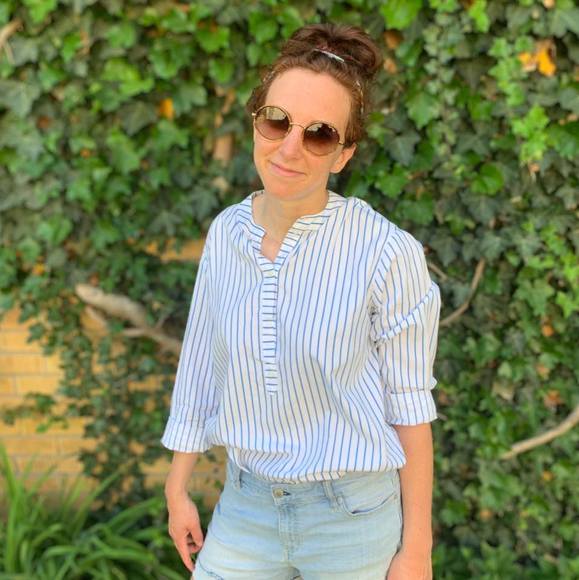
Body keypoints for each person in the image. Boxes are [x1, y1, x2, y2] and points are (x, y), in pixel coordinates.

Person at [162, 23, 441, 580]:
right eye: (276, 121)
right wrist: (177, 486)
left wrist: (416, 551)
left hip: (353, 518)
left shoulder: (387, 253)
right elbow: (199, 365)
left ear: (343, 154)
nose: (289, 148)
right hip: (245, 506)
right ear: (255, 121)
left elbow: (409, 409)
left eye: (319, 134)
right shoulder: (227, 233)